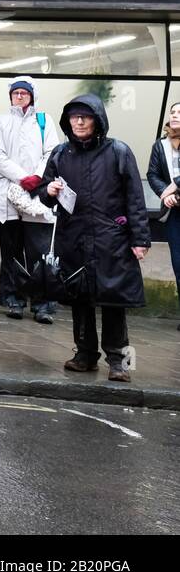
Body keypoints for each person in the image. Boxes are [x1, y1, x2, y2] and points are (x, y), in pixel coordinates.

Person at [37, 94, 149, 383]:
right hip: (73, 238)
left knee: (114, 300)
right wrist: (48, 190)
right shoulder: (61, 154)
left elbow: (135, 198)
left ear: (98, 120)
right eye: (74, 117)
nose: (79, 121)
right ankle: (85, 355)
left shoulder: (118, 152)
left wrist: (140, 239)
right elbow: (44, 191)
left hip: (110, 239)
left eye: (85, 116)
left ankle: (118, 361)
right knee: (79, 299)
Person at [0, 76, 58, 322]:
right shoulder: (0, 121)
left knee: (39, 252)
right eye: (16, 93)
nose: (19, 96)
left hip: (38, 194)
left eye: (24, 93)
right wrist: (21, 178)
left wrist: (37, 177)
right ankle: (13, 300)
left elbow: (52, 152)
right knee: (11, 252)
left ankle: (43, 305)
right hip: (8, 195)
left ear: (32, 96)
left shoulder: (44, 121)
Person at [147, 102, 180, 332]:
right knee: (178, 263)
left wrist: (173, 187)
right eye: (173, 112)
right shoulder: (161, 145)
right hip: (174, 212)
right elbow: (152, 173)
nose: (175, 115)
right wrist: (164, 194)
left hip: (175, 197)